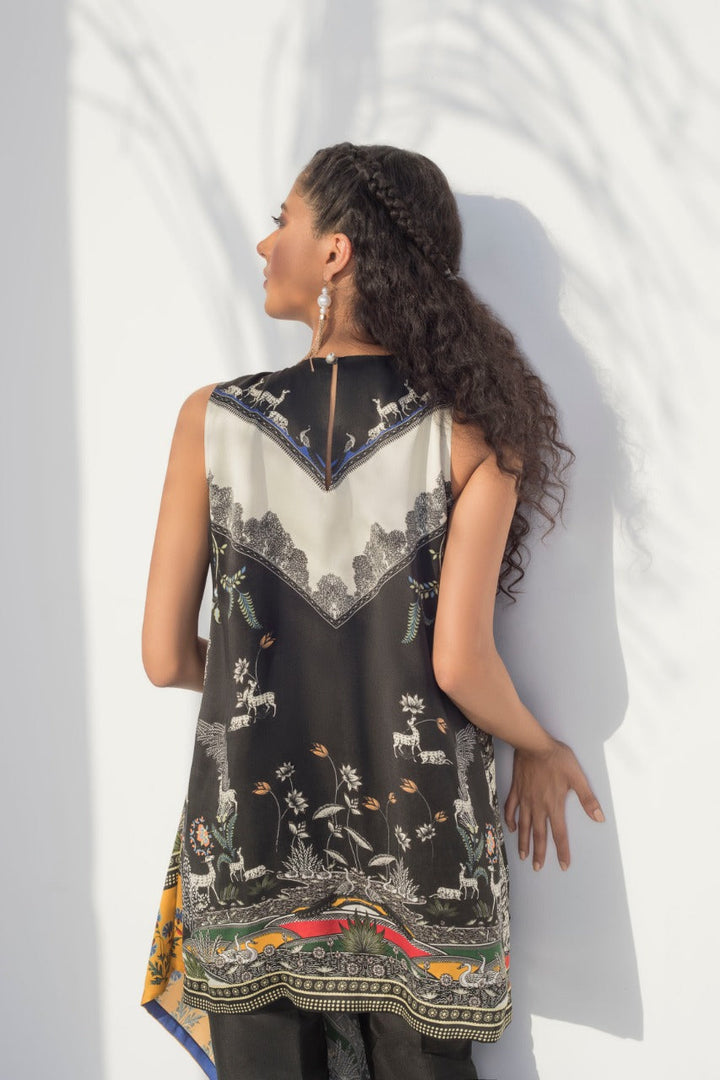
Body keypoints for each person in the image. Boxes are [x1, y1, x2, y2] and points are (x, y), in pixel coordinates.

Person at [140, 142, 605, 1080]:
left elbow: (163, 658)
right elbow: (459, 664)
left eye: (283, 220)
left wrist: (255, 674)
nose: (265, 243)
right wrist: (542, 746)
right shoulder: (472, 439)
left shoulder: (209, 421)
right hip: (421, 876)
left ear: (336, 252)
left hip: (250, 862)